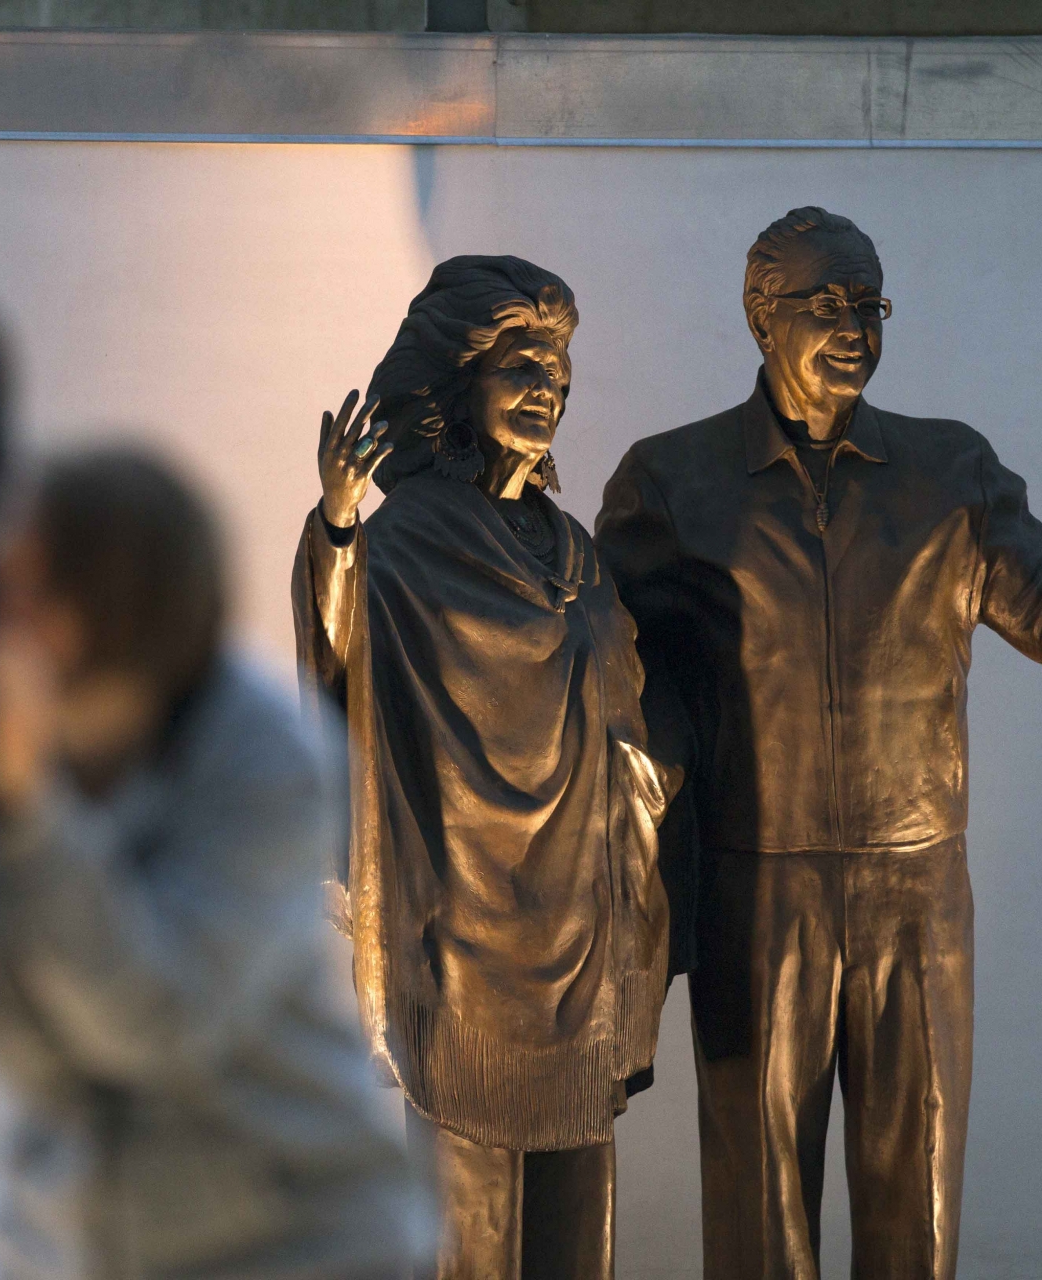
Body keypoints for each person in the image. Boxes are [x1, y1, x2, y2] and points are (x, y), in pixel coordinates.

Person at [594, 207, 1042, 1280]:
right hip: (758, 891)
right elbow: (606, 655)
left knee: (917, 1195)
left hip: (917, 888)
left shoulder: (949, 470)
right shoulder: (674, 480)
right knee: (759, 1209)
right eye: (825, 302)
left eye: (870, 303)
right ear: (760, 313)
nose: (853, 325)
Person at [0, 447, 430, 1280]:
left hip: (298, 1245)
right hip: (74, 1245)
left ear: (106, 606)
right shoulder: (2, 746)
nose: (3, 616)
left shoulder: (263, 750)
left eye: (29, 589)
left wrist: (25, 815)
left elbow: (155, 1017)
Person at [293, 256, 675, 1280]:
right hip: (463, 942)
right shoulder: (408, 542)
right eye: (522, 363)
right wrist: (335, 525)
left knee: (575, 1235)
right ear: (459, 385)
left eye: (558, 365)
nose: (549, 384)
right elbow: (343, 656)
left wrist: (648, 795)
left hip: (580, 936)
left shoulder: (578, 552)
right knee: (469, 1242)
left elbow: (624, 709)